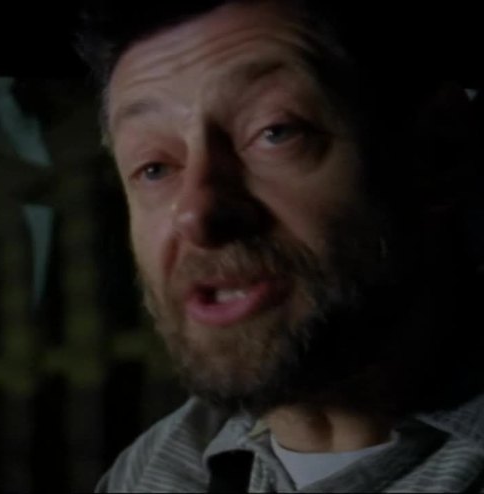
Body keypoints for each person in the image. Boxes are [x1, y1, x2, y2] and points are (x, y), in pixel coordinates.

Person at [75, 0, 484, 491]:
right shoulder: (151, 470)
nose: (196, 213)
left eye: (275, 132)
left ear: (439, 152)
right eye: (155, 167)